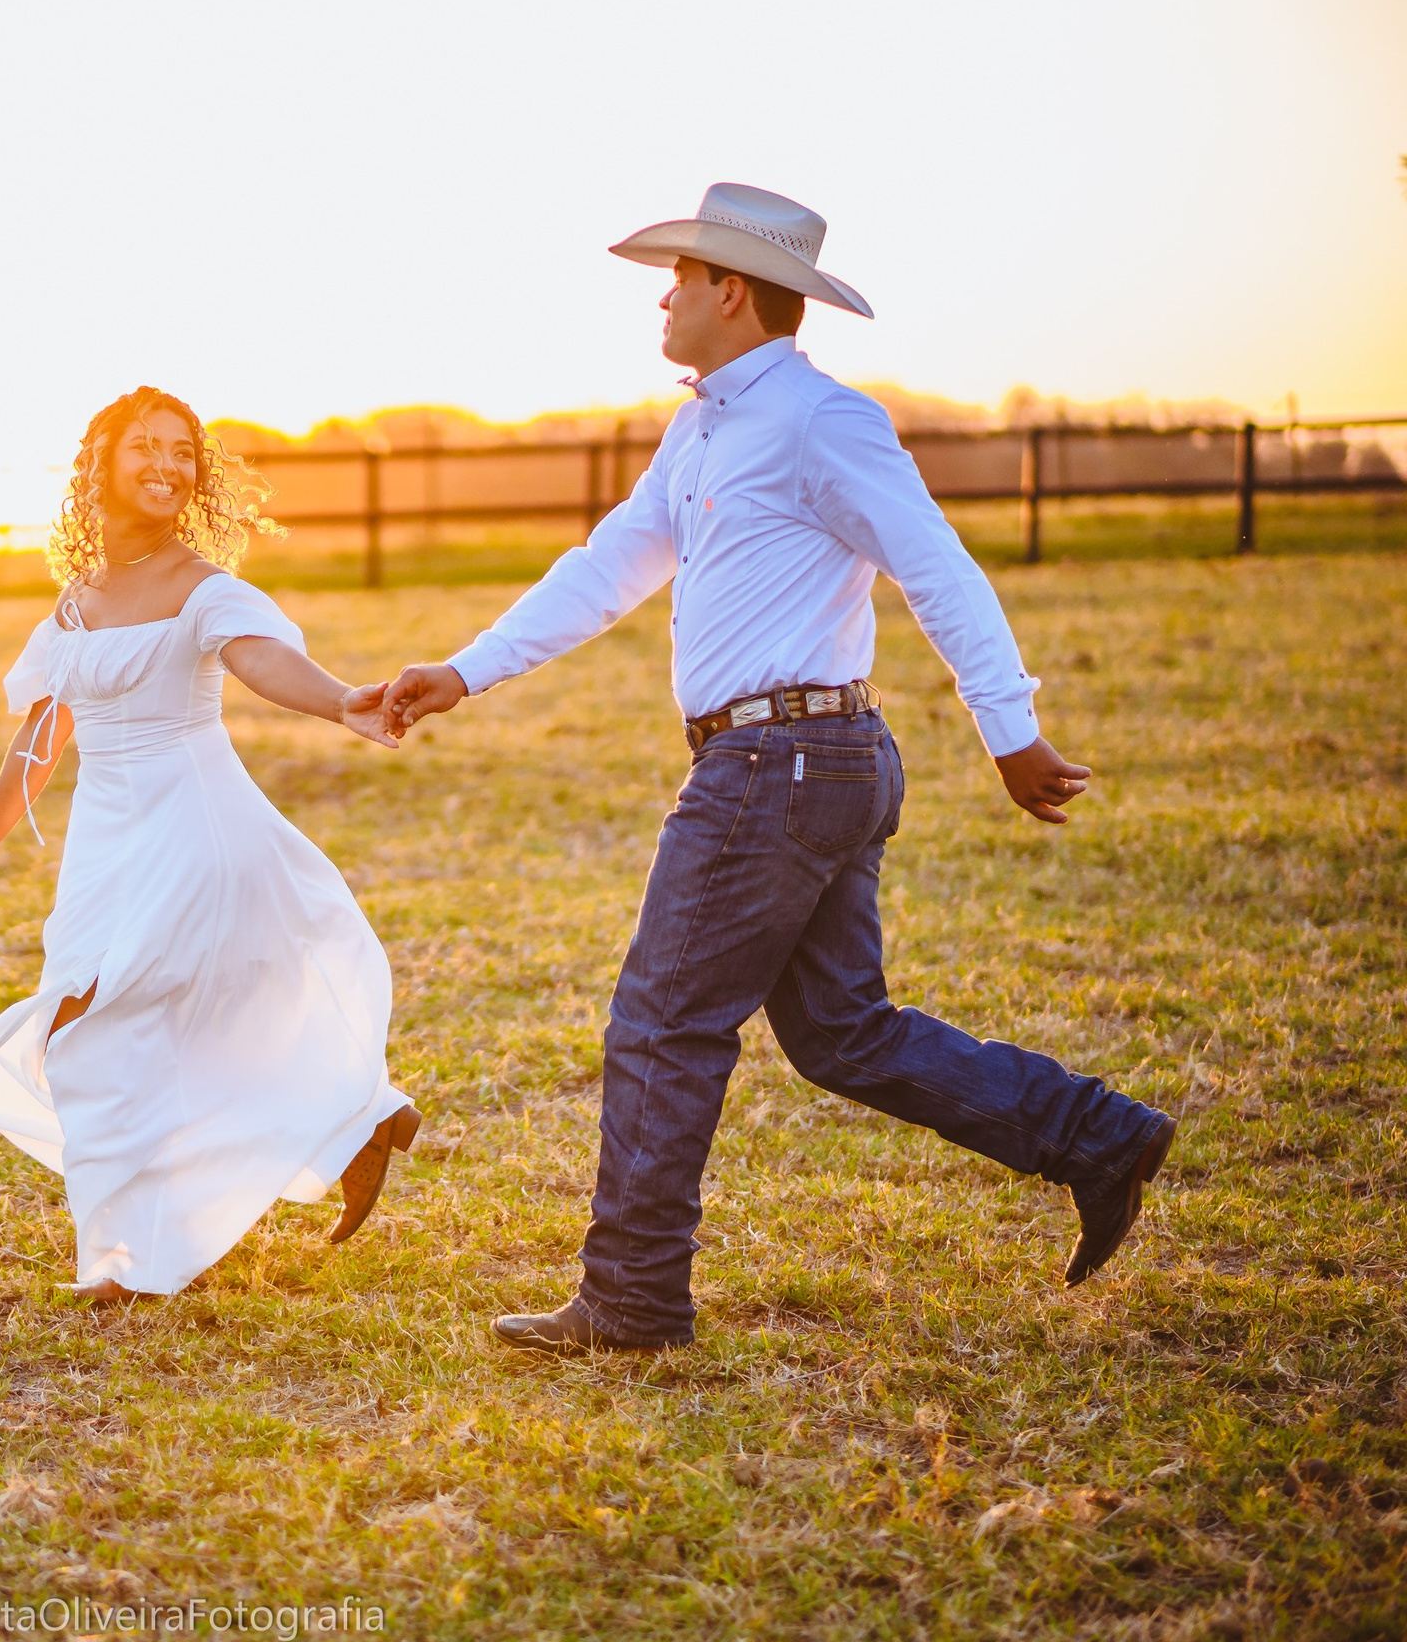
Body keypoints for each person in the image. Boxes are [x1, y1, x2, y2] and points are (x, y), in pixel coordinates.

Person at [376, 184, 1177, 1355]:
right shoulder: (698, 428)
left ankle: (633, 1300)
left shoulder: (820, 421)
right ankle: (1094, 1135)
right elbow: (607, 568)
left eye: (681, 278)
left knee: (661, 1022)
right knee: (843, 1035)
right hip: (801, 761)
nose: (664, 295)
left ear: (731, 294)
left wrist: (1011, 732)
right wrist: (463, 671)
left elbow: (936, 569)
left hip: (783, 760)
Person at [0, 387, 419, 1302]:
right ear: (97, 462)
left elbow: (260, 657)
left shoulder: (203, 588)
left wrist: (337, 699)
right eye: (146, 448)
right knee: (106, 1025)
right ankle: (359, 1119)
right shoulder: (77, 600)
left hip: (194, 822)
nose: (167, 466)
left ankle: (125, 1262)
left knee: (102, 1029)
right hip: (105, 840)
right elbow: (45, 734)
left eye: (183, 452)